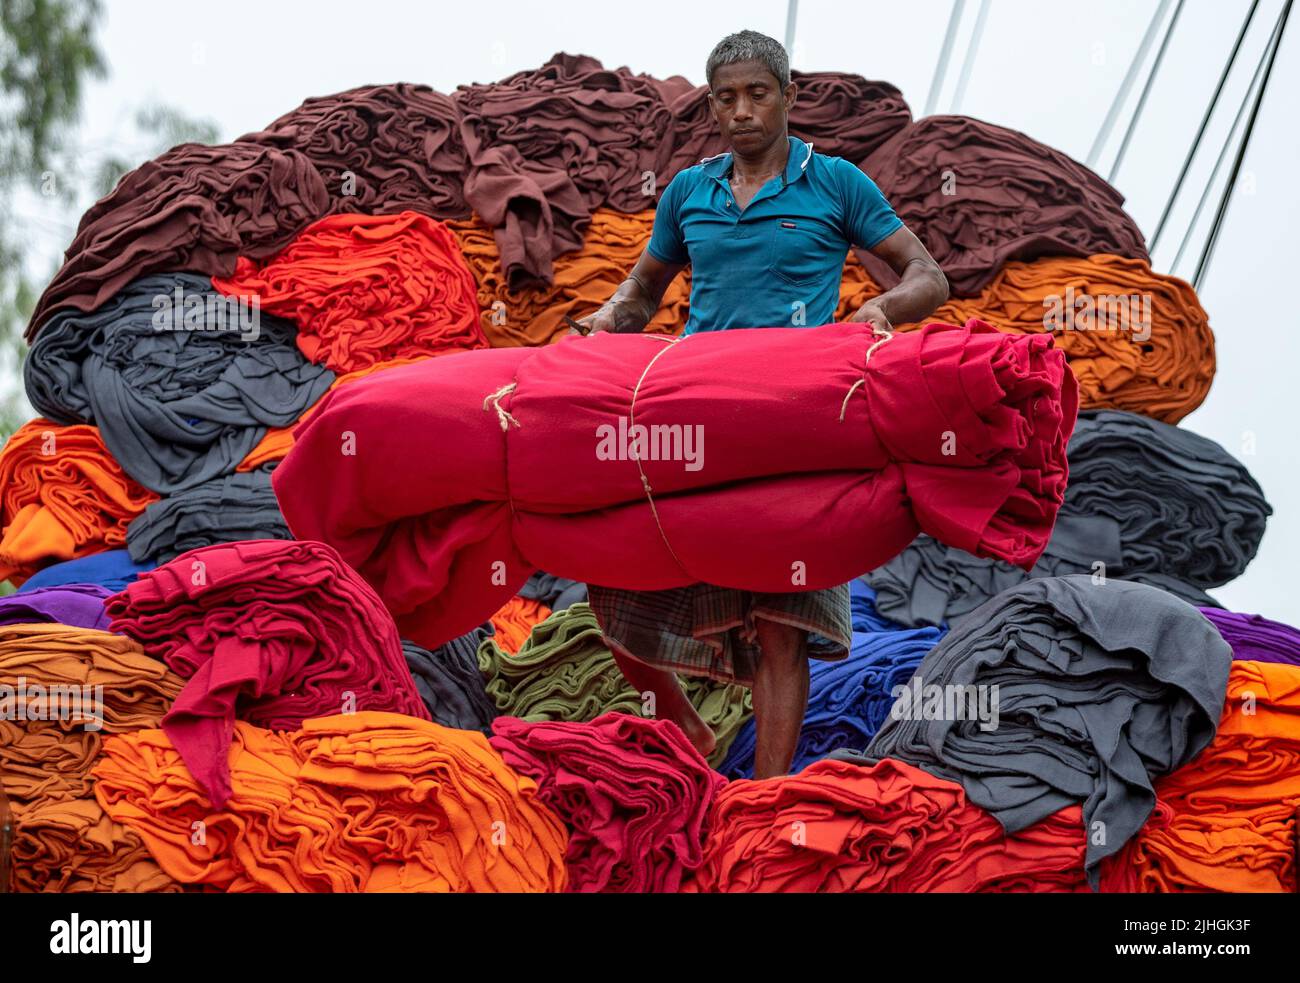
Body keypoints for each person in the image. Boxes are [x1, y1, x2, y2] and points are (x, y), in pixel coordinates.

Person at [571, 29, 949, 778]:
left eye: (757, 94)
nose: (740, 111)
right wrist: (605, 322)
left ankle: (763, 797)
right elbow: (644, 289)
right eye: (725, 97)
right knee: (609, 572)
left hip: (796, 421)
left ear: (787, 95)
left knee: (783, 619)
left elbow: (927, 274)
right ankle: (682, 718)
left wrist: (880, 311)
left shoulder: (835, 183)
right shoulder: (689, 190)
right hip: (695, 413)